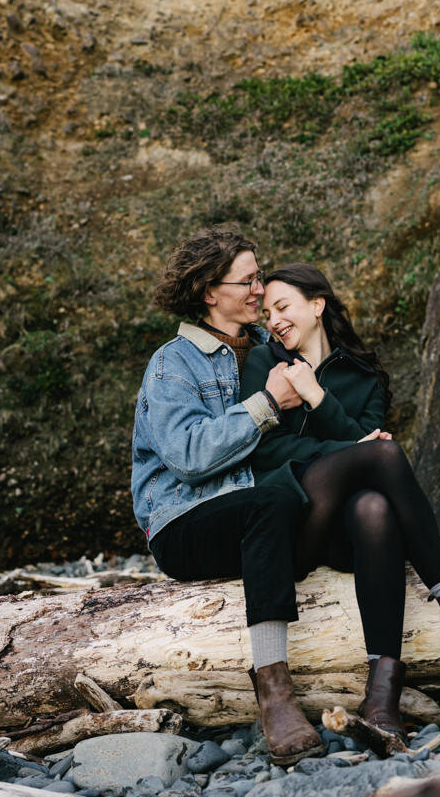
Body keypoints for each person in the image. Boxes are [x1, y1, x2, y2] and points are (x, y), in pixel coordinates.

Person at [241, 263, 440, 742]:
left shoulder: (365, 378)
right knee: (382, 452)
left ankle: (381, 696)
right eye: (267, 313)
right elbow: (263, 453)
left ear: (316, 305)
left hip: (349, 539)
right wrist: (345, 449)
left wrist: (319, 398)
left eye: (283, 307)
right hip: (290, 525)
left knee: (374, 508)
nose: (273, 320)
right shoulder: (264, 365)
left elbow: (365, 452)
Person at [131, 228, 326, 766]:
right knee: (273, 503)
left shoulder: (267, 350)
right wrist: (267, 404)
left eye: (259, 276)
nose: (260, 289)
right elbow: (188, 456)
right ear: (208, 292)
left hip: (255, 514)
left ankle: (391, 670)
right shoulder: (173, 363)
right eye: (248, 280)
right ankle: (275, 692)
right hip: (182, 522)